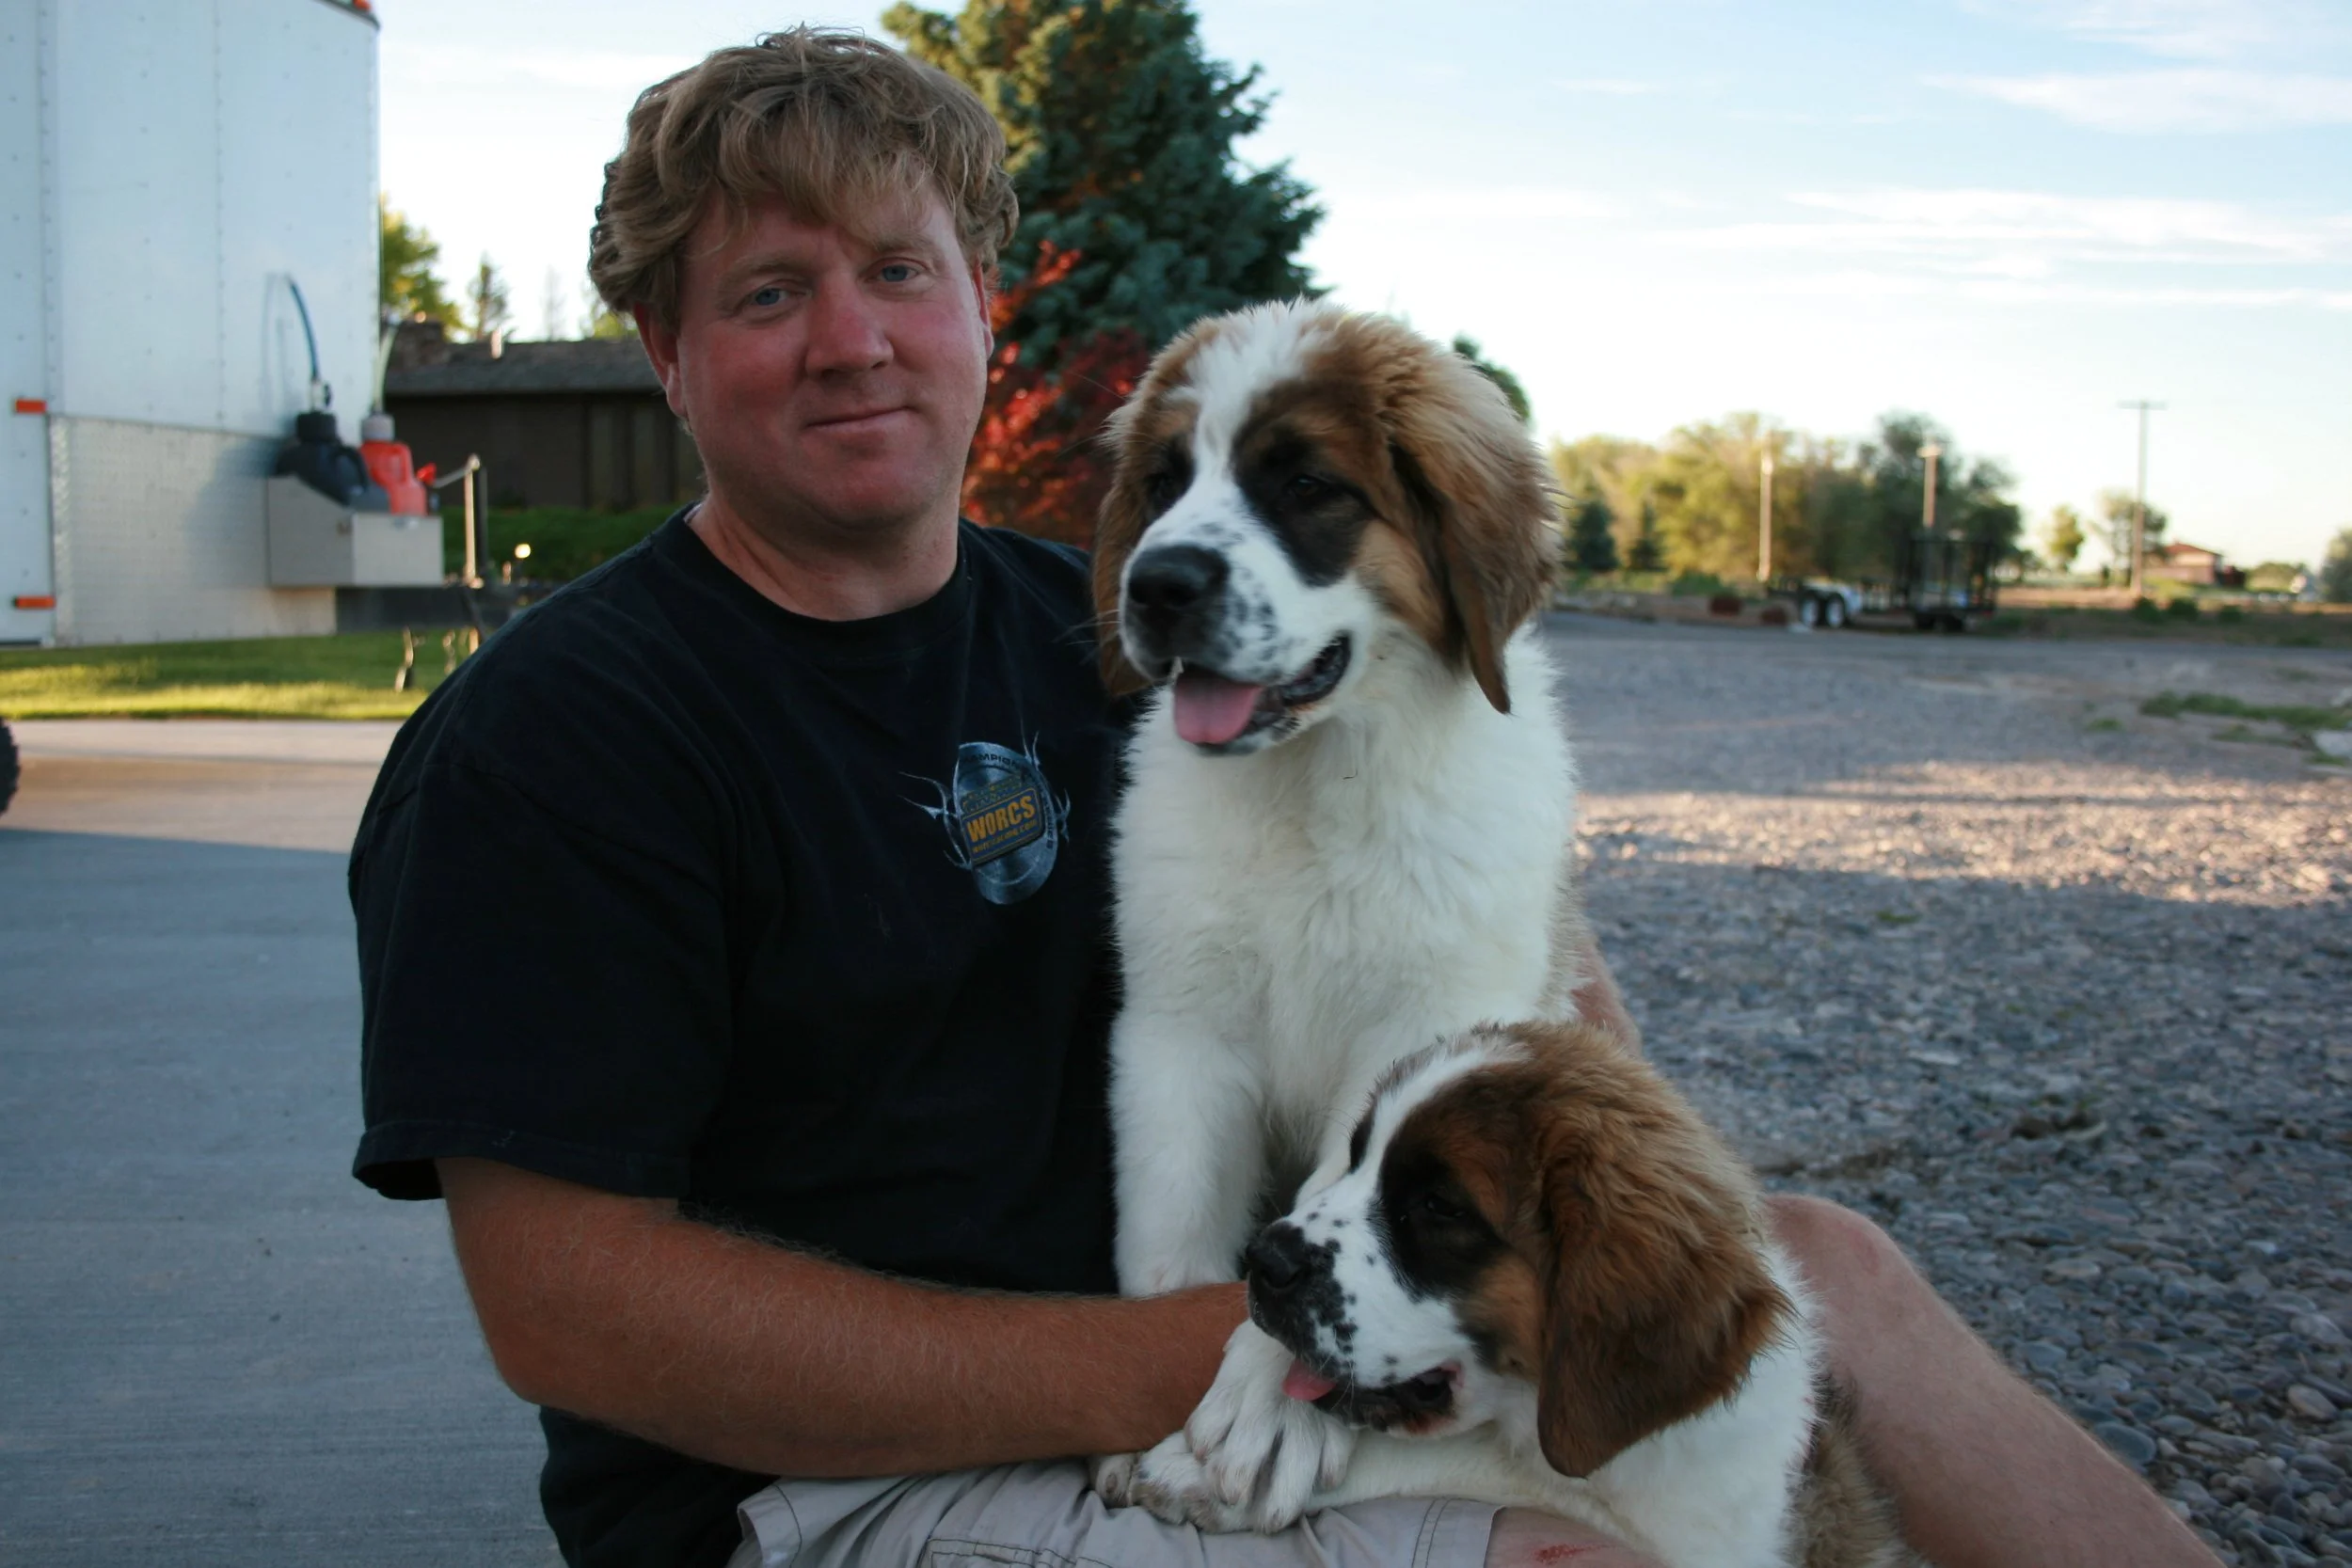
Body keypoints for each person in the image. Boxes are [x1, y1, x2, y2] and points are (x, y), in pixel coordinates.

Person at [350, 28, 2219, 1568]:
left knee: (1817, 1277)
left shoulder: (1117, 618)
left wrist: (1586, 1165)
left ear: (979, 309)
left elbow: (1484, 928)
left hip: (1290, 1318)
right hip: (840, 1484)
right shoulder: (558, 740)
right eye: (767, 293)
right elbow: (573, 1313)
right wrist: (1177, 1358)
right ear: (664, 352)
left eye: (898, 271)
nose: (852, 339)